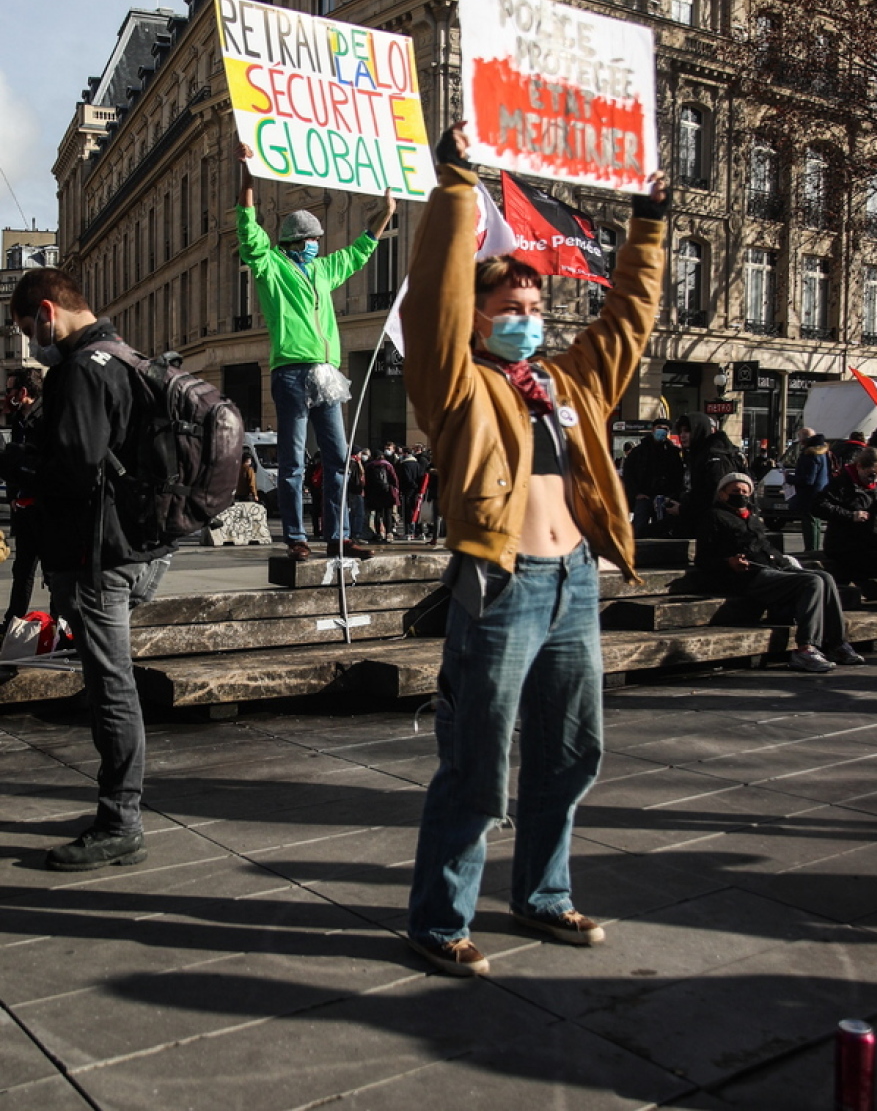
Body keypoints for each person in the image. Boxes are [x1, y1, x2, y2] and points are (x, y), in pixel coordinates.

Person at [400, 122, 668, 977]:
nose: (527, 320)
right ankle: (440, 918)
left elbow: (628, 319)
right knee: (477, 761)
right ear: (478, 320)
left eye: (535, 308)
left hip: (574, 584)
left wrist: (649, 227)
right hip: (501, 585)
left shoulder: (569, 383)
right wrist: (455, 187)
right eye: (509, 310)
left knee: (568, 752)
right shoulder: (456, 383)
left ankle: (543, 895)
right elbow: (430, 302)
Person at [9, 268, 173, 871]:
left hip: (104, 555)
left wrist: (19, 463)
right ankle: (118, 810)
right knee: (112, 681)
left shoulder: (79, 370)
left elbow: (74, 472)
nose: (32, 344)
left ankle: (120, 822)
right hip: (139, 549)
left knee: (111, 687)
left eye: (29, 330)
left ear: (48, 312)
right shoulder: (125, 357)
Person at [235, 139, 395, 562]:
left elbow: (359, 252)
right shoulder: (271, 266)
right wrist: (247, 174)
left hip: (325, 371)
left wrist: (386, 214)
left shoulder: (323, 269)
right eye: (311, 239)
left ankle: (338, 535)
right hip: (291, 370)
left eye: (318, 240)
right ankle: (296, 537)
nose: (317, 245)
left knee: (340, 457)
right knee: (292, 461)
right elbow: (248, 231)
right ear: (296, 241)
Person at [695, 471, 863, 673]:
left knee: (824, 577)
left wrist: (788, 565)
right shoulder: (715, 517)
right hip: (748, 575)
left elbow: (767, 548)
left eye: (744, 491)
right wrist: (728, 562)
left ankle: (837, 643)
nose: (740, 495)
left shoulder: (752, 517)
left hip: (773, 568)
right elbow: (703, 559)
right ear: (722, 494)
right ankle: (805, 648)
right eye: (735, 491)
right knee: (811, 582)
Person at [0, 368, 46, 637]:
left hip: (45, 510)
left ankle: (61, 625)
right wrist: (14, 498)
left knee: (53, 573)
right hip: (24, 509)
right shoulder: (19, 419)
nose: (7, 395)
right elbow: (13, 465)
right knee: (23, 570)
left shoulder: (46, 419)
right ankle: (13, 620)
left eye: (10, 390)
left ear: (24, 393)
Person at [667, 412, 741, 536]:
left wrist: (682, 509)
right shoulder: (695, 454)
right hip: (696, 518)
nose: (682, 436)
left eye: (687, 431)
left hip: (713, 524)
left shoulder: (714, 456)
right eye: (680, 431)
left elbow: (712, 495)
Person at [815, 446, 877, 580]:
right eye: (871, 475)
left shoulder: (876, 488)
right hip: (846, 545)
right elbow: (819, 506)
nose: (874, 480)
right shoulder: (842, 484)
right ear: (860, 467)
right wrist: (851, 516)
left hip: (870, 541)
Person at [622, 418, 684, 537]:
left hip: (664, 498)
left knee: (661, 530)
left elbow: (678, 475)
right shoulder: (639, 452)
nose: (662, 431)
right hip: (644, 496)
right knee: (638, 529)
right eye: (659, 428)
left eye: (665, 429)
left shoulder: (673, 452)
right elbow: (628, 474)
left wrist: (672, 495)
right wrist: (636, 493)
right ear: (653, 430)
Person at [791, 431, 831, 551]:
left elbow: (808, 479)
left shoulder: (810, 455)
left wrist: (790, 478)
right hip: (820, 490)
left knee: (810, 521)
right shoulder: (823, 453)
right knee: (815, 521)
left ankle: (811, 549)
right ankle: (814, 547)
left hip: (809, 493)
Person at [365, 449, 399, 542]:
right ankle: (389, 533)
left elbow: (366, 481)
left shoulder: (369, 466)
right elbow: (394, 478)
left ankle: (378, 533)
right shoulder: (388, 465)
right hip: (387, 491)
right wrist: (395, 489)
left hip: (374, 492)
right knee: (388, 513)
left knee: (377, 513)